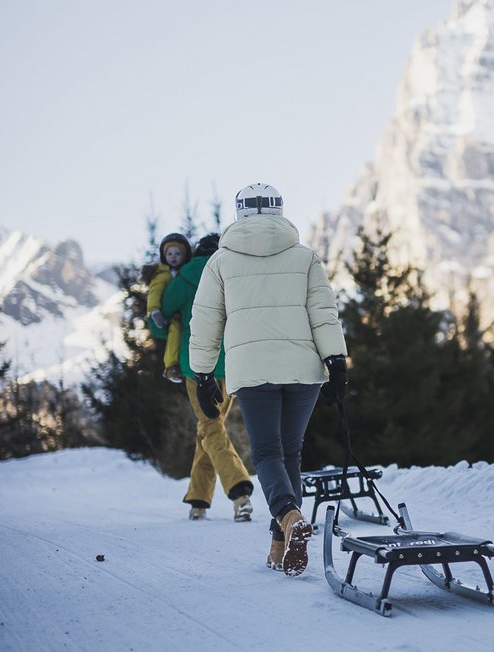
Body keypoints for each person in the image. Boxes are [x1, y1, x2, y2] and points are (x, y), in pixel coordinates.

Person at [189, 182, 348, 576]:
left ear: (239, 212)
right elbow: (324, 313)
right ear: (279, 210)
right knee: (290, 451)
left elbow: (206, 321)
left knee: (266, 453)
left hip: (254, 370)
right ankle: (279, 545)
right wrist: (337, 361)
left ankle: (289, 518)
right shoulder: (305, 257)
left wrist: (204, 374)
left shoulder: (221, 261)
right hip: (304, 369)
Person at [160, 233, 255, 522]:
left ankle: (239, 492)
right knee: (209, 427)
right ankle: (199, 500)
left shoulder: (185, 277)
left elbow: (161, 318)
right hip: (230, 364)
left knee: (210, 428)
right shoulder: (233, 273)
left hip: (196, 366)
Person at [147, 233, 192, 383]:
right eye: (169, 253)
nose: (173, 257)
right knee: (175, 332)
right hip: (172, 317)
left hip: (185, 313)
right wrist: (155, 311)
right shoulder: (162, 275)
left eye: (178, 253)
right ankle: (171, 366)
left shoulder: (186, 273)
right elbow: (154, 292)